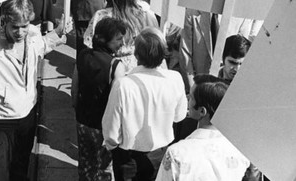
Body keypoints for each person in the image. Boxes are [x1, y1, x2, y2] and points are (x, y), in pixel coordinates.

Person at [0, 0, 70, 181]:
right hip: (0, 119)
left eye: (24, 26)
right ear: (4, 21)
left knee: (22, 161)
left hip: (28, 113)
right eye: (15, 27)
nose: (20, 32)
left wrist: (58, 32)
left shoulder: (34, 34)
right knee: (0, 166)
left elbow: (42, 45)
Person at [102, 27, 188, 181]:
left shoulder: (123, 85)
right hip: (161, 154)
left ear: (136, 55)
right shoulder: (175, 79)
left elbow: (111, 129)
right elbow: (179, 116)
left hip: (129, 156)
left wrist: (112, 148)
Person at [155, 75, 250, 181]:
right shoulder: (240, 150)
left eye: (191, 97)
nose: (187, 99)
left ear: (202, 111)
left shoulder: (176, 153)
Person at [73, 17, 126, 181]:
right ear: (104, 39)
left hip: (83, 122)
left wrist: (76, 110)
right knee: (103, 169)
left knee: (85, 165)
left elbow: (74, 87)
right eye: (118, 39)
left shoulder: (83, 55)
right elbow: (119, 102)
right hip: (104, 127)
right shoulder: (116, 65)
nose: (122, 43)